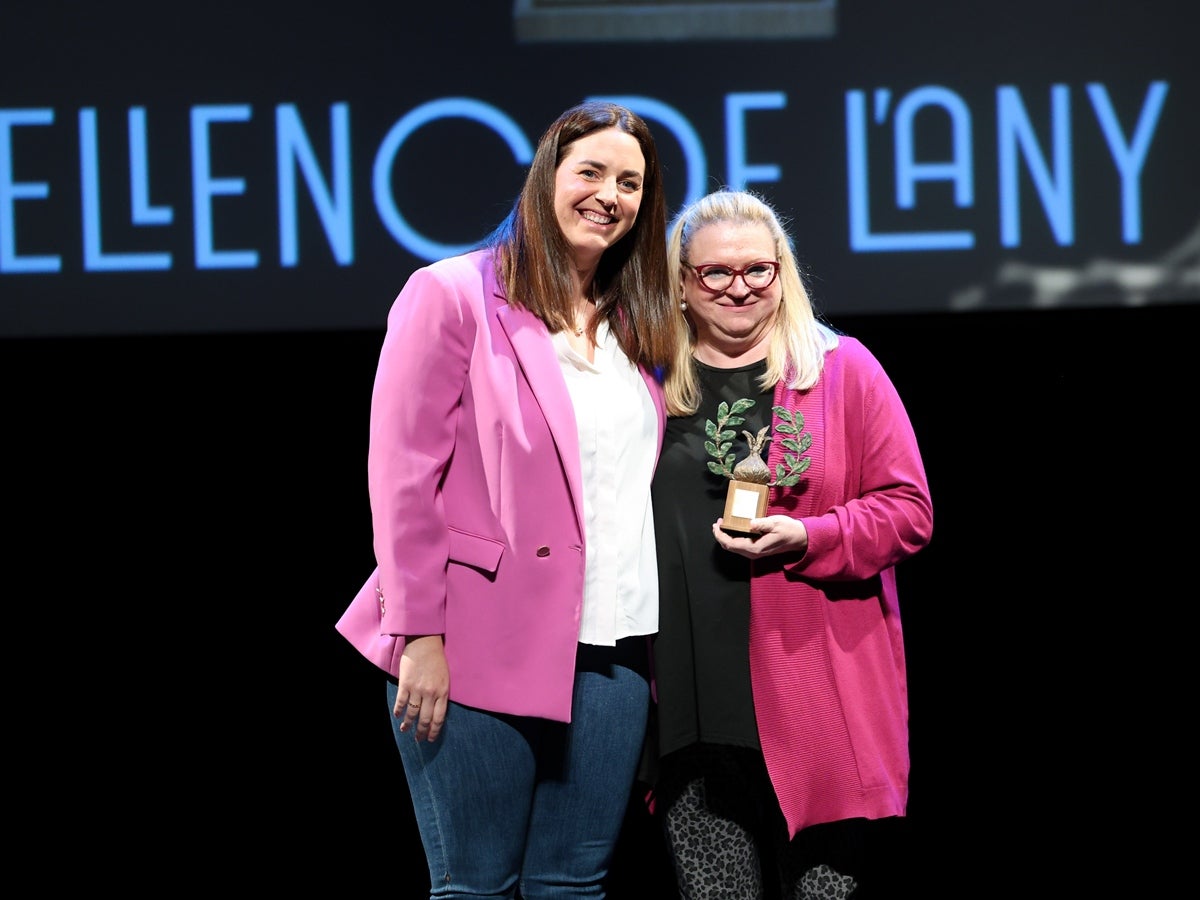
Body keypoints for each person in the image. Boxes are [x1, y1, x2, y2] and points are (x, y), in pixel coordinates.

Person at [335, 100, 676, 898]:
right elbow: (403, 479)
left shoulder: (636, 325)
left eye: (630, 183)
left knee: (573, 886)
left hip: (614, 651)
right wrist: (418, 634)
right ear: (546, 177)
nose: (609, 195)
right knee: (478, 886)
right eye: (590, 172)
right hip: (473, 639)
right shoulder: (451, 293)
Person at [648, 188, 934, 900]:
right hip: (689, 702)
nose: (739, 287)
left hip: (814, 700)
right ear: (681, 283)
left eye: (758, 269)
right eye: (716, 272)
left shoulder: (842, 370)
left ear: (783, 273)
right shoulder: (648, 385)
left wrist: (811, 534)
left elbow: (908, 512)